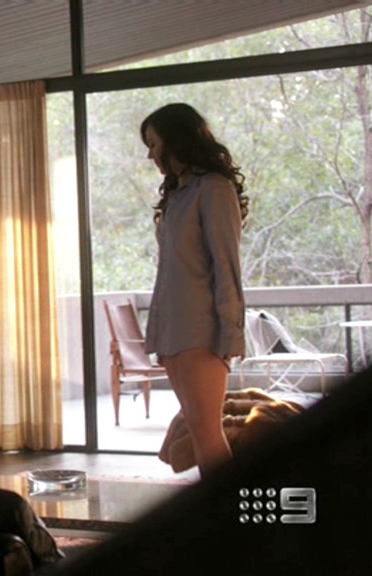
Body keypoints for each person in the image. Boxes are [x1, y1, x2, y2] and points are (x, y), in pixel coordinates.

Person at [141, 103, 249, 476]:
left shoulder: (214, 189)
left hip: (202, 332)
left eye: (154, 144)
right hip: (174, 332)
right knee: (200, 431)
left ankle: (227, 509)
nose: (151, 154)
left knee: (206, 433)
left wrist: (231, 333)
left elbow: (226, 267)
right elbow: (171, 273)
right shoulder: (177, 195)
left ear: (176, 140)